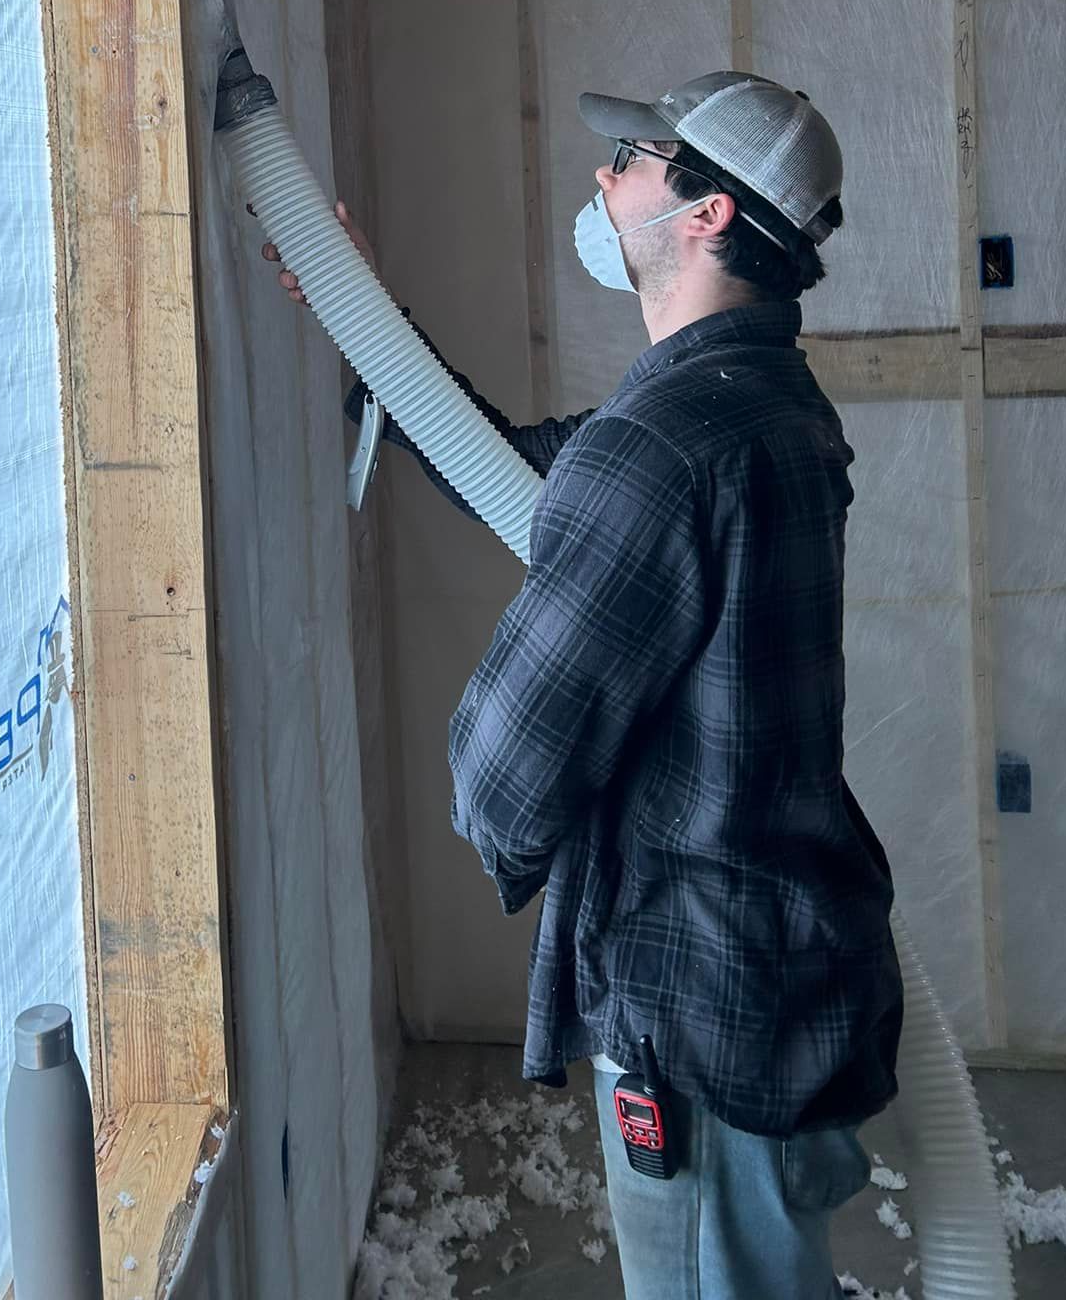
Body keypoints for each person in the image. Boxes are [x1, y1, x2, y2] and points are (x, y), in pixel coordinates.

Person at [263, 71, 903, 1300]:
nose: (604, 176)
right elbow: (519, 470)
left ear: (707, 213)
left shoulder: (663, 444)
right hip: (785, 969)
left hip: (699, 1007)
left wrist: (515, 843)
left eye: (633, 156)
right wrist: (366, 315)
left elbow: (504, 769)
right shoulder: (762, 402)